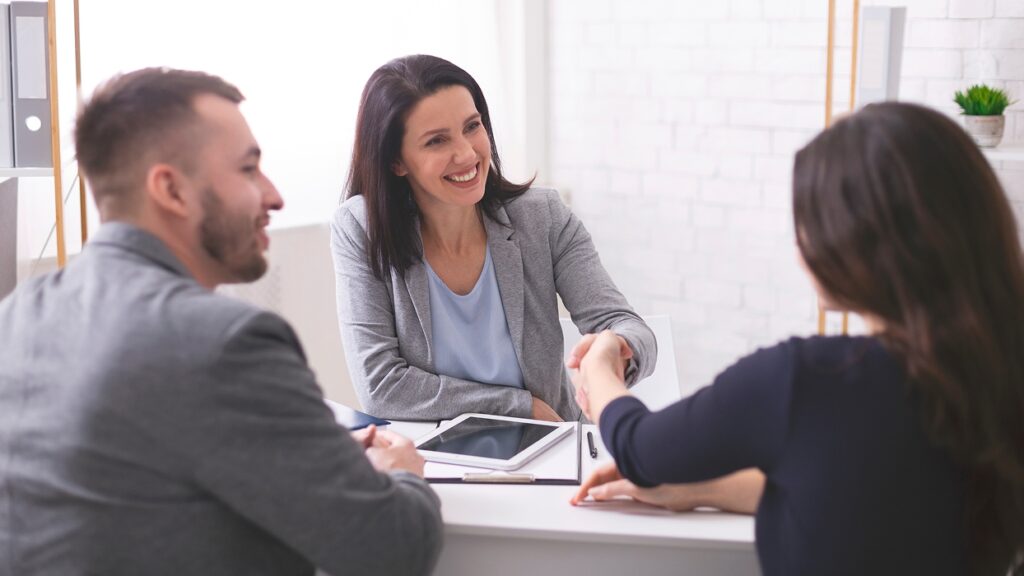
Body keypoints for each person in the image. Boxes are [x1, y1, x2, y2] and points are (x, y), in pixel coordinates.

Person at [0, 68, 443, 576]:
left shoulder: (15, 317)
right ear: (172, 190)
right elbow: (391, 549)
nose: (274, 196)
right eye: (249, 170)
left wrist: (309, 452)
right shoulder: (224, 341)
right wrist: (402, 474)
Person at [569, 102, 1024, 576]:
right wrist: (700, 489)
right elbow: (857, 489)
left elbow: (638, 447)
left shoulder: (808, 379)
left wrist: (601, 367)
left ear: (856, 240)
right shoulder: (994, 372)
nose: (799, 243)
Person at [331, 54, 656, 422]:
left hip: (551, 451)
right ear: (396, 162)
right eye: (437, 141)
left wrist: (613, 346)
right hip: (435, 460)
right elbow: (381, 387)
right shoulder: (361, 229)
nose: (467, 153)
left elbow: (629, 327)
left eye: (472, 126)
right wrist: (519, 406)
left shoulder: (543, 216)